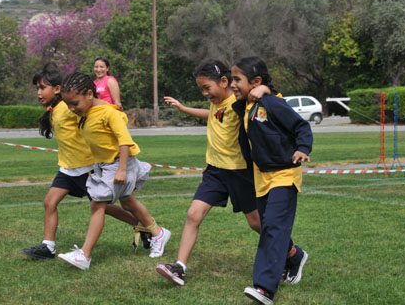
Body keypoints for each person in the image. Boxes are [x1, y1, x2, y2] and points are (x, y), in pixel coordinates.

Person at [155, 59, 301, 287]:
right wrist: (184, 109)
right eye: (201, 89)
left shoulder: (239, 100)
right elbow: (211, 114)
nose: (205, 93)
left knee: (256, 223)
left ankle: (292, 254)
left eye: (207, 88)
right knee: (194, 214)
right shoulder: (217, 103)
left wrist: (265, 89)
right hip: (214, 171)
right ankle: (179, 267)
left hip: (240, 173)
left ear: (224, 82)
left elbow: (270, 101)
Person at [22, 63, 146, 261]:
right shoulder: (55, 109)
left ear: (57, 89)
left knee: (104, 207)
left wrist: (114, 110)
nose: (39, 92)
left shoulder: (69, 107)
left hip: (87, 168)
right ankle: (48, 247)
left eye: (42, 88)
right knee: (49, 202)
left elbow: (95, 108)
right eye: (37, 88)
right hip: (67, 169)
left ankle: (143, 226)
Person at [58, 71, 170, 270]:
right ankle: (158, 233)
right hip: (102, 166)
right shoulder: (84, 113)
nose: (72, 109)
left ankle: (84, 255)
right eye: (68, 105)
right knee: (128, 203)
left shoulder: (110, 113)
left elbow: (125, 141)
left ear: (90, 94)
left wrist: (122, 169)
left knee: (97, 205)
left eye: (75, 103)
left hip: (119, 163)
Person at [231, 57, 312, 305]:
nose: (232, 85)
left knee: (274, 228)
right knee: (270, 228)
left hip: (284, 174)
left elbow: (301, 127)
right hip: (261, 176)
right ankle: (295, 256)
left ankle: (265, 288)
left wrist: (302, 148)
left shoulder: (272, 104)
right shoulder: (244, 105)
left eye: (237, 80)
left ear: (255, 82)